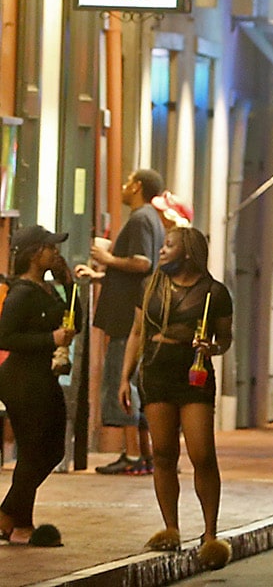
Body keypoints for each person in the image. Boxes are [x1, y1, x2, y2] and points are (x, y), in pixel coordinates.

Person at [124, 225, 236, 568]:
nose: (161, 250)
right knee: (164, 453)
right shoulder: (151, 285)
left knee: (202, 453)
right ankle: (171, 528)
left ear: (187, 251)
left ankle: (210, 533)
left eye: (169, 245)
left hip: (194, 374)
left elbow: (226, 339)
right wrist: (124, 376)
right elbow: (137, 331)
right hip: (156, 371)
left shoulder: (213, 292)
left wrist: (212, 347)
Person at [76, 167, 163, 476]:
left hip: (127, 315)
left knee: (123, 379)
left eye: (128, 182)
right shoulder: (151, 218)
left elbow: (142, 263)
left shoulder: (140, 218)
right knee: (132, 379)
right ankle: (146, 454)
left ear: (137, 186)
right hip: (132, 308)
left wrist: (106, 258)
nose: (124, 187)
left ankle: (134, 455)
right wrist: (101, 276)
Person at [0, 226, 76, 547]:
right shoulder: (21, 292)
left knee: (52, 449)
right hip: (22, 378)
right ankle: (20, 524)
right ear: (34, 254)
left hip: (45, 376)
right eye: (50, 248)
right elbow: (5, 337)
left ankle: (9, 516)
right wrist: (50, 339)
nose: (55, 253)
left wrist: (68, 283)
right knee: (33, 450)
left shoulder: (47, 289)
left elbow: (76, 321)